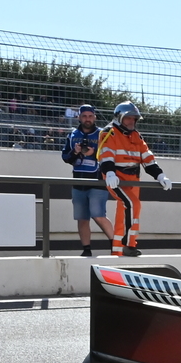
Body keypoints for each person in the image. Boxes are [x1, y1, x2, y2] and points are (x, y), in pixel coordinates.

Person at [96, 101, 173, 257]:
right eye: (128, 118)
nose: (132, 121)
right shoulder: (109, 132)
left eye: (134, 119)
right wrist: (109, 173)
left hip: (133, 179)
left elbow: (147, 158)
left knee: (128, 211)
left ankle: (118, 250)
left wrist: (160, 175)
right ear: (119, 118)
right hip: (116, 178)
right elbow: (106, 155)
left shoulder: (136, 135)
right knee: (132, 204)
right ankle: (128, 245)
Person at [60, 104, 110, 256]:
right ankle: (86, 250)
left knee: (98, 215)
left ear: (94, 117)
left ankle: (117, 245)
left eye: (90, 116)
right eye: (84, 116)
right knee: (82, 218)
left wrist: (94, 154)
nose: (87, 119)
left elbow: (109, 157)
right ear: (79, 117)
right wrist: (75, 152)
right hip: (78, 182)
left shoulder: (102, 134)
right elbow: (65, 157)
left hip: (97, 182)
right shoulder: (72, 134)